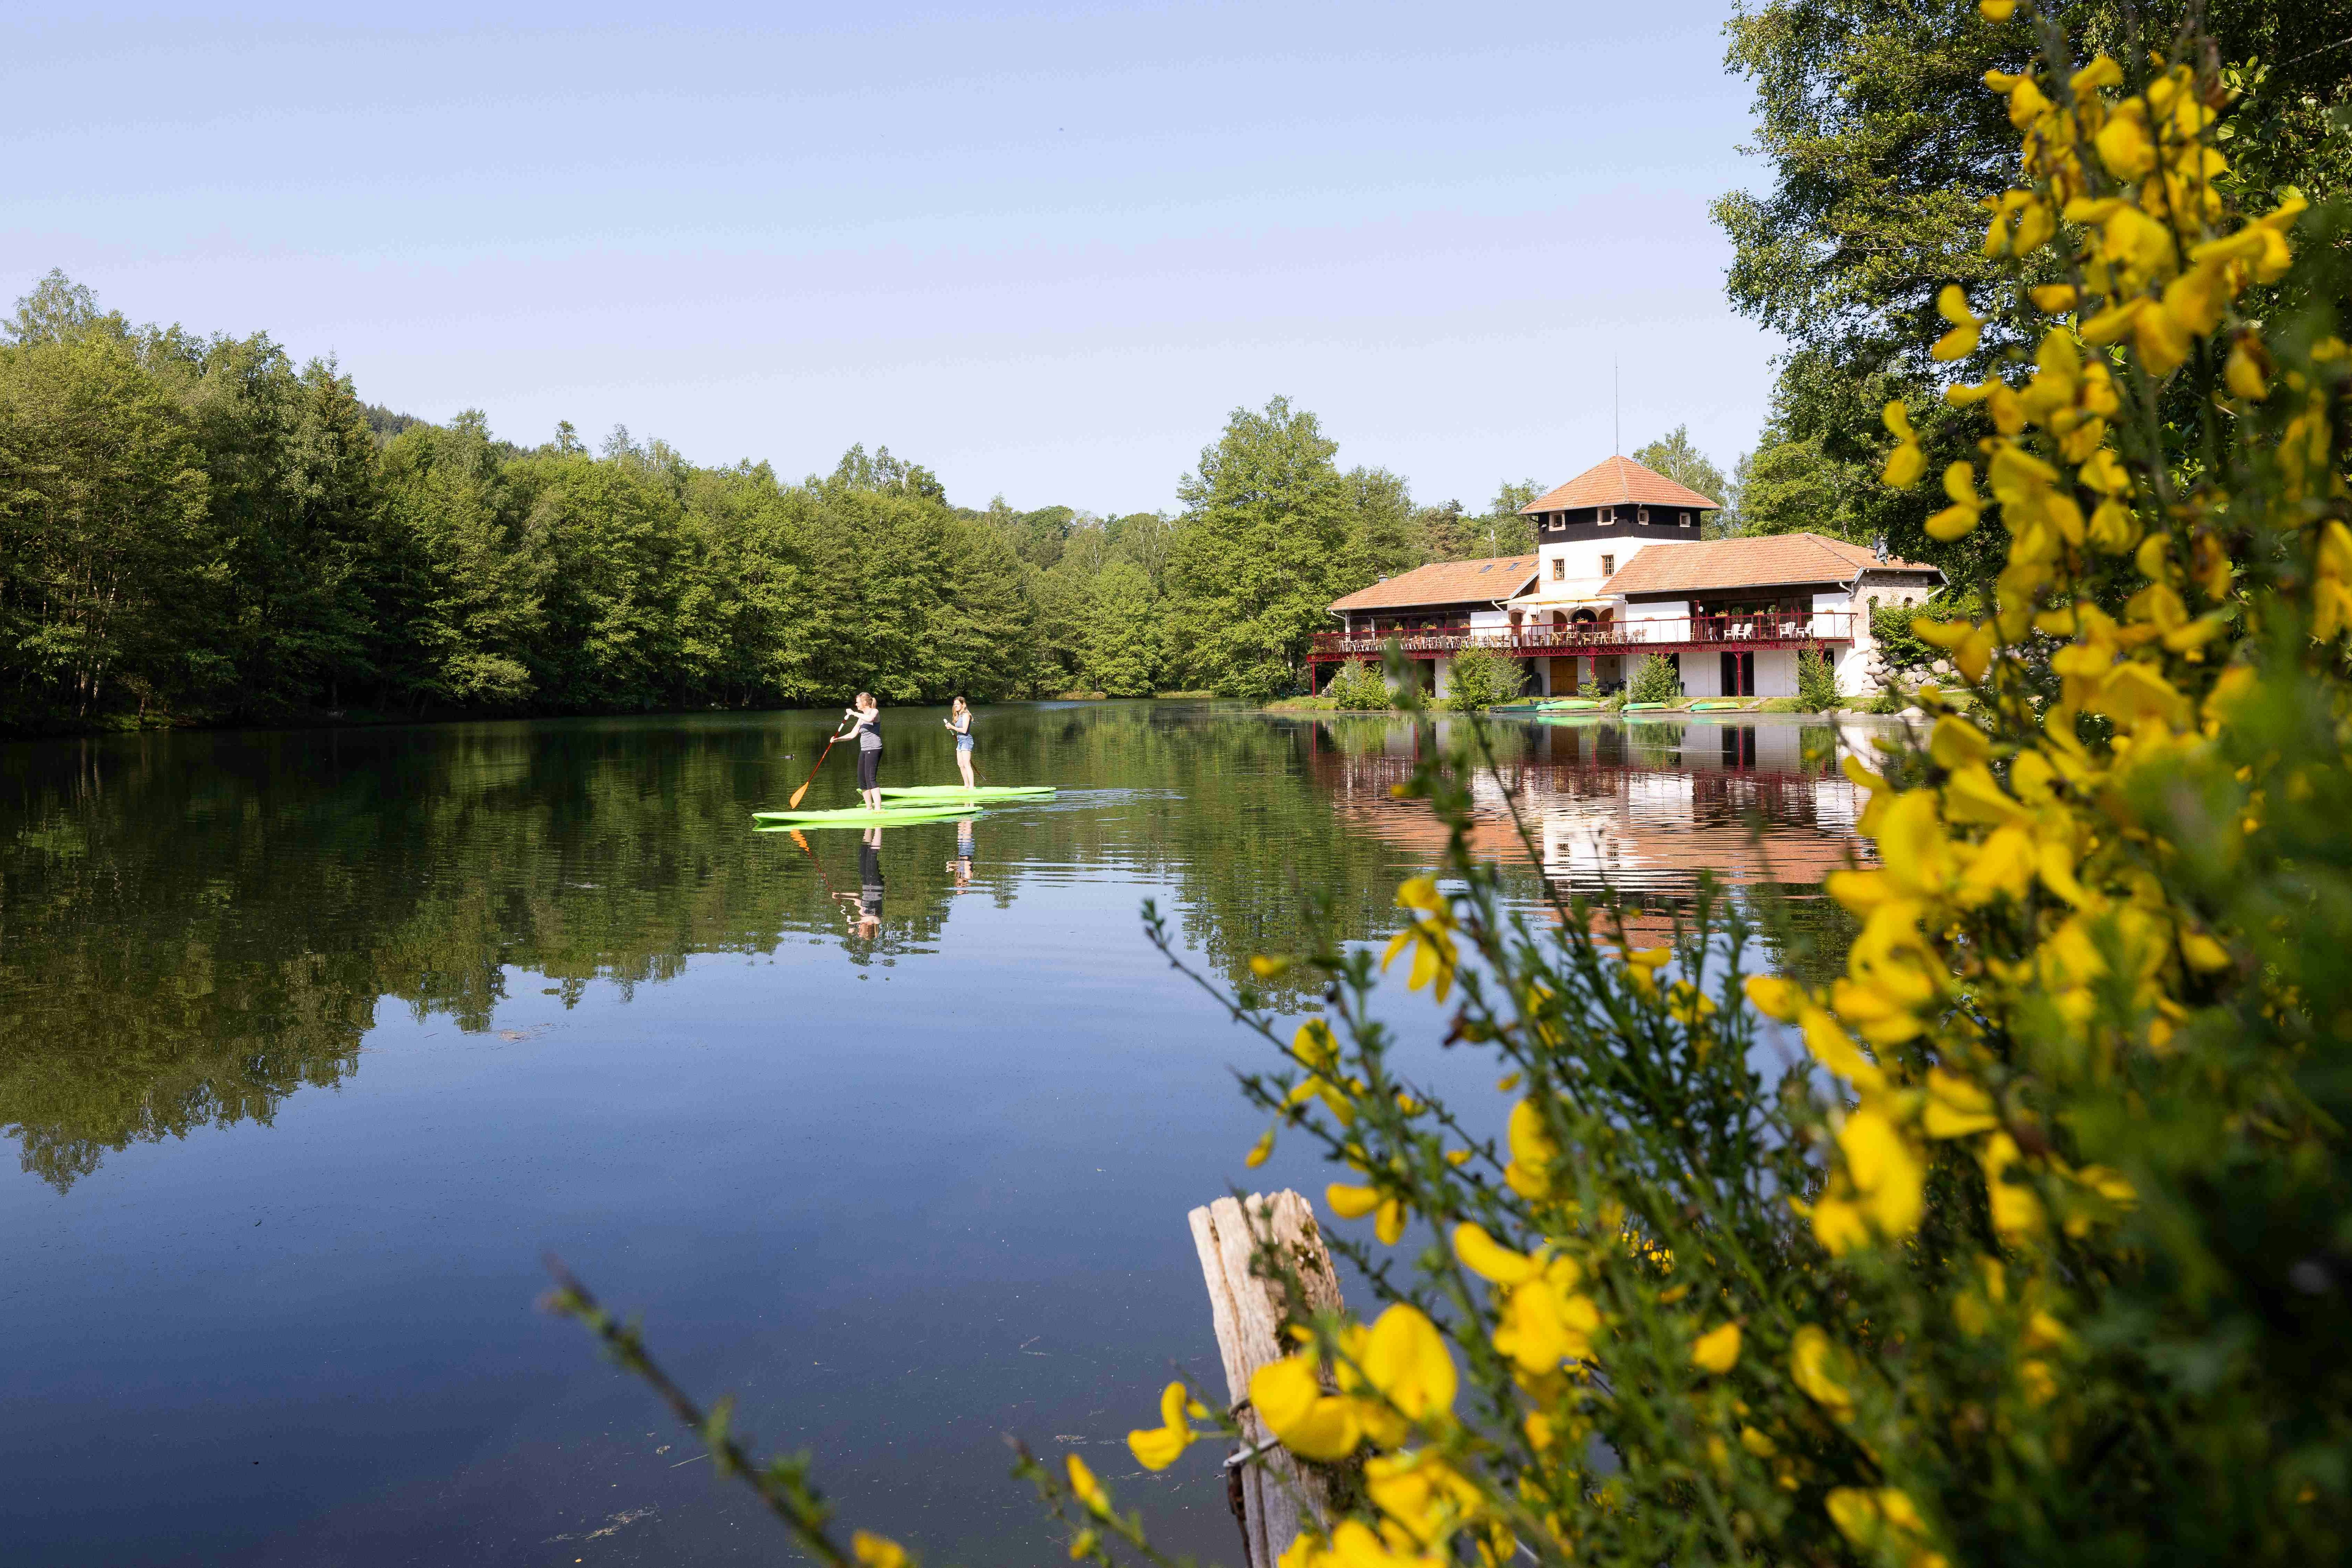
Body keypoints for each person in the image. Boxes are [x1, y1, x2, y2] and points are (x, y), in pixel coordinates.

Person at [835, 693, 883, 810]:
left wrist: (854, 714)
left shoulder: (874, 712)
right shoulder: (861, 718)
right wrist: (837, 740)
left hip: (874, 749)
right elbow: (852, 735)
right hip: (865, 750)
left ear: (865, 702)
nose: (856, 704)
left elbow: (870, 719)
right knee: (862, 780)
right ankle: (869, 808)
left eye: (858, 702)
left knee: (871, 779)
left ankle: (878, 810)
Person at [944, 696, 975, 789]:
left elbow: (965, 730)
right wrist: (951, 727)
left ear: (963, 705)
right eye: (955, 704)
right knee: (961, 764)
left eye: (958, 704)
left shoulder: (966, 715)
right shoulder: (958, 715)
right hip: (960, 742)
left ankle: (972, 788)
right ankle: (967, 785)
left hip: (967, 741)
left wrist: (952, 727)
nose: (956, 706)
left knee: (967, 764)